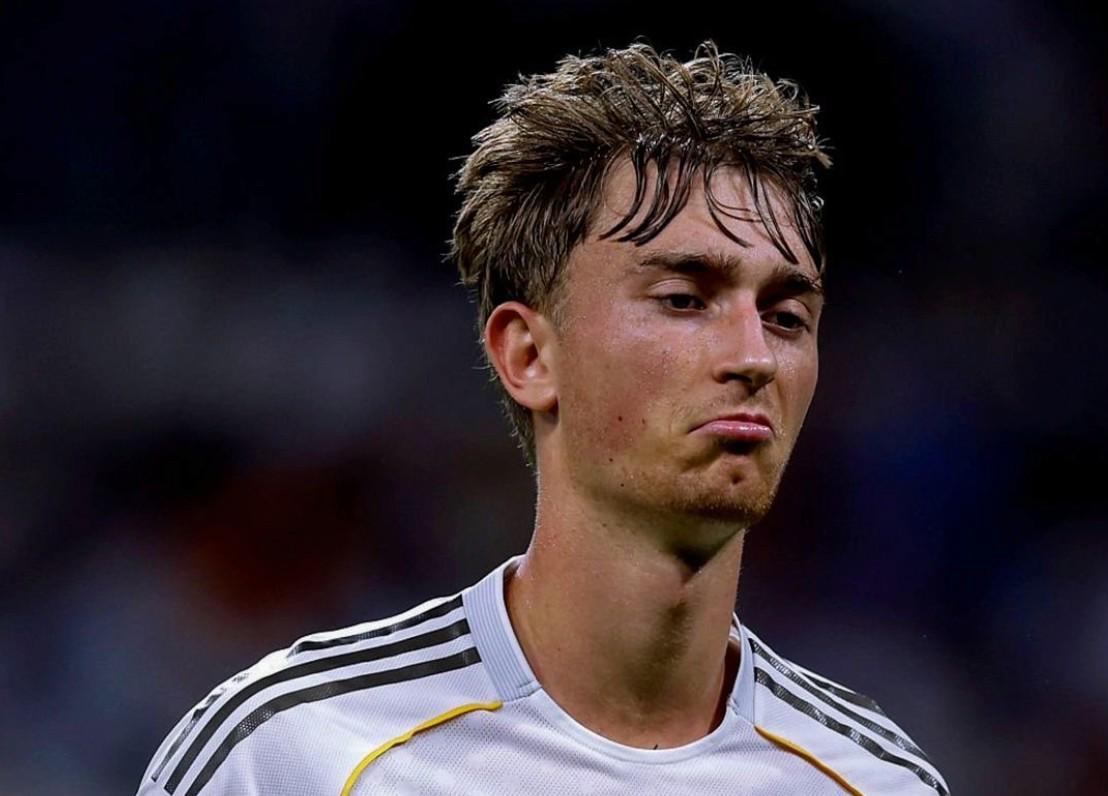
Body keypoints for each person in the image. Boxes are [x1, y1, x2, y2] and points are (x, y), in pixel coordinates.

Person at [137, 41, 948, 795]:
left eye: (785, 316)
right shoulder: (291, 755)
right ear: (529, 355)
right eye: (683, 298)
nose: (754, 356)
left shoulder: (879, 782)